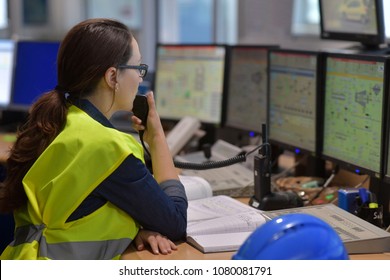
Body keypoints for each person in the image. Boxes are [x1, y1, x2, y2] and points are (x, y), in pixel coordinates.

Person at [0, 18, 188, 260]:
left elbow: (80, 207)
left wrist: (132, 229)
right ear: (112, 77)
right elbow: (175, 222)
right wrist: (158, 139)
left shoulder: (59, 120)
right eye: (138, 68)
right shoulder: (107, 146)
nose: (141, 79)